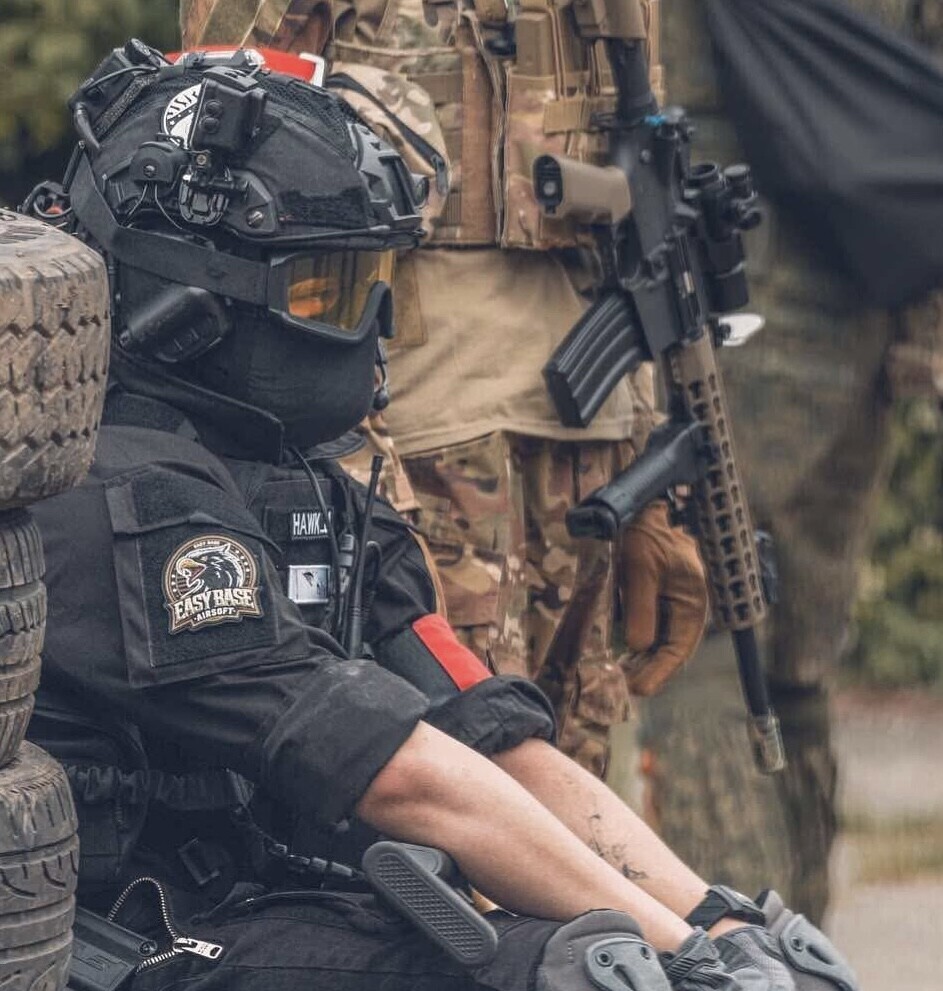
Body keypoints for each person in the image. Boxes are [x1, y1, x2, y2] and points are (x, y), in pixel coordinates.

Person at [26, 42, 854, 991]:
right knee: (581, 970)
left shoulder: (309, 487)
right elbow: (404, 774)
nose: (371, 323)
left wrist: (714, 922)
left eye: (376, 280)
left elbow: (488, 737)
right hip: (110, 936)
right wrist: (683, 960)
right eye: (325, 290)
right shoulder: (120, 496)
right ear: (191, 299)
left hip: (247, 902)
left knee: (607, 956)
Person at [178, 0, 710, 783]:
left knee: (572, 799)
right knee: (456, 797)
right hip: (413, 442)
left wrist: (655, 482)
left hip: (590, 447)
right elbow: (217, 167)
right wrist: (348, 474)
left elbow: (643, 200)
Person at [640, 0, 943, 922]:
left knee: (702, 617)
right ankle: (799, 943)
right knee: (787, 645)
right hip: (872, 257)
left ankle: (740, 946)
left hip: (734, 268)